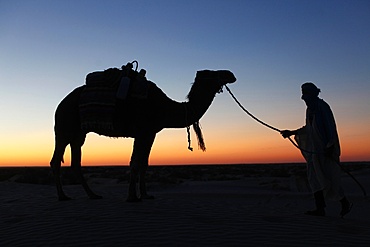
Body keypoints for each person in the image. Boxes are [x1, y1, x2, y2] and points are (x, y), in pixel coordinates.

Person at [281, 82, 352, 217]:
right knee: (314, 179)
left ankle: (345, 203)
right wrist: (291, 132)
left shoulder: (323, 107)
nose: (303, 97)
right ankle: (320, 209)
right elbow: (309, 129)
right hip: (314, 152)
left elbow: (330, 128)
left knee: (330, 178)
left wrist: (330, 146)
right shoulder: (310, 110)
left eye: (306, 94)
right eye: (303, 94)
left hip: (326, 151)